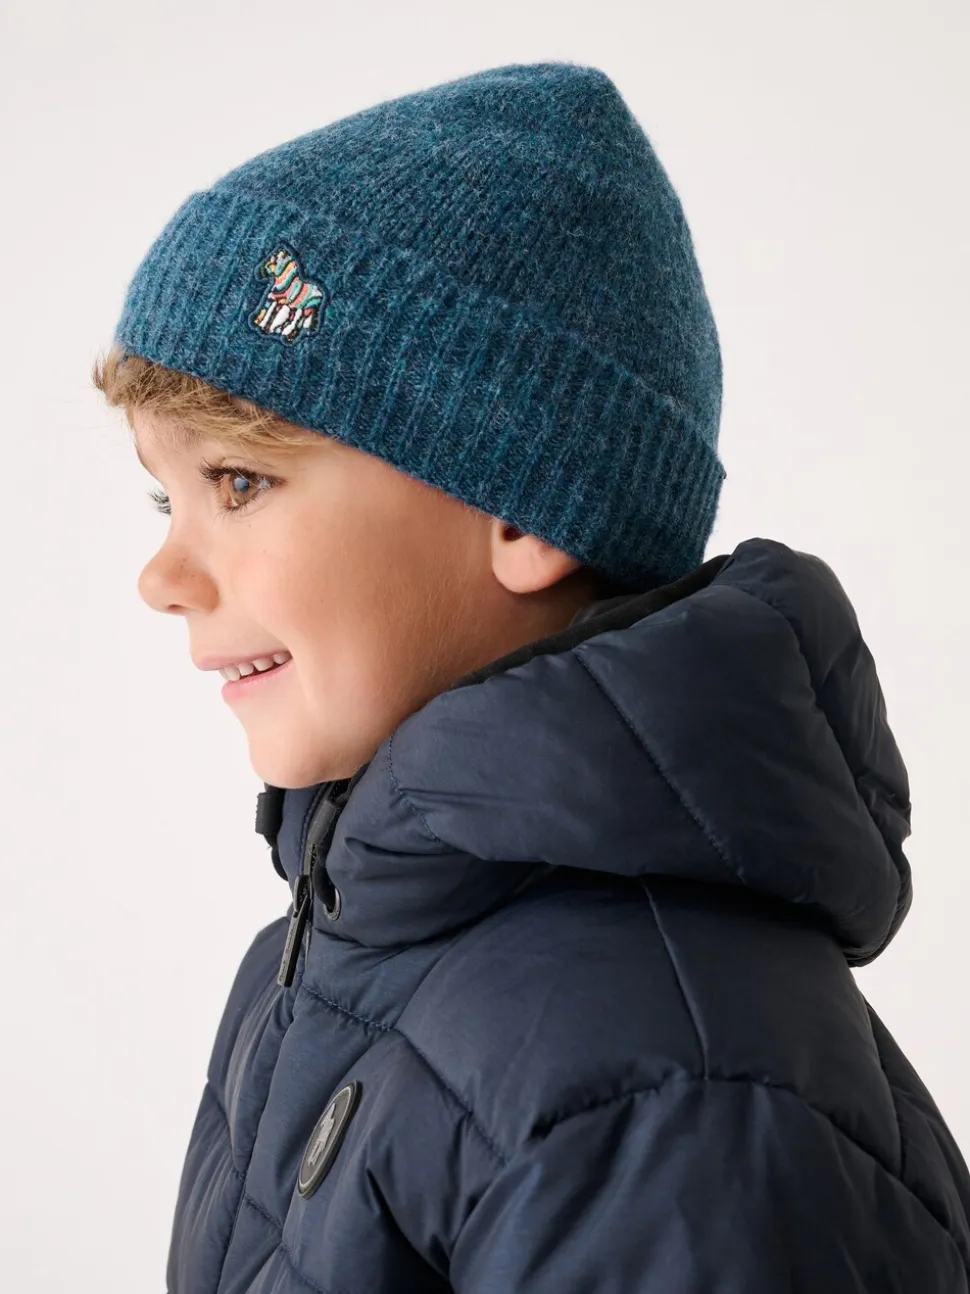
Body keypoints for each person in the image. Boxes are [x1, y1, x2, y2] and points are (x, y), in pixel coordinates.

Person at [93, 59, 970, 1293]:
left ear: (523, 506)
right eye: (164, 497)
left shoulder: (672, 1089)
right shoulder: (328, 960)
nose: (163, 575)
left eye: (239, 482)